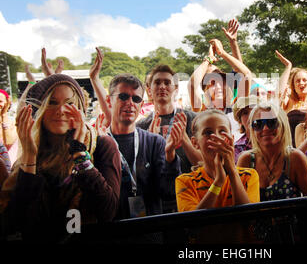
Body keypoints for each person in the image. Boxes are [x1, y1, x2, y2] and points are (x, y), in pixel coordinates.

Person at [0, 74, 121, 242]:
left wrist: (79, 155)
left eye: (70, 104)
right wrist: (29, 158)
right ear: (40, 110)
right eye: (52, 102)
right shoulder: (31, 152)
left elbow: (107, 211)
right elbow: (14, 221)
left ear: (80, 109)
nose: (61, 110)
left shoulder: (101, 145)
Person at [106, 74, 182, 218]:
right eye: (123, 96)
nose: (130, 103)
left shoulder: (155, 143)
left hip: (150, 233)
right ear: (109, 101)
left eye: (136, 99)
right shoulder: (99, 144)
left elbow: (169, 193)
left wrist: (170, 157)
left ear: (141, 105)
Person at [175, 109, 259, 212]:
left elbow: (250, 221)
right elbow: (194, 226)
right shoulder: (185, 182)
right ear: (195, 143)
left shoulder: (249, 176)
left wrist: (232, 172)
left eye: (222, 131)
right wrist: (218, 182)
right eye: (208, 132)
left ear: (232, 139)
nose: (217, 137)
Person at [237, 102, 307, 201]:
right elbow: (237, 203)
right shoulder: (246, 160)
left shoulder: (295, 158)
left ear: (283, 125)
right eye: (258, 124)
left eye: (272, 123)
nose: (265, 128)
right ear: (252, 129)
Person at [136, 65, 201, 176]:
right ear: (149, 89)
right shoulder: (141, 127)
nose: (162, 87)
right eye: (157, 83)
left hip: (190, 189)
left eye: (167, 83)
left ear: (176, 88)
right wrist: (150, 147)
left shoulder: (194, 119)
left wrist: (184, 138)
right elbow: (140, 172)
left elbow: (203, 164)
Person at [188, 37, 252, 140]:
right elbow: (192, 83)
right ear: (206, 89)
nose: (218, 86)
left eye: (221, 81)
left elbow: (246, 75)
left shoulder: (236, 108)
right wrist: (209, 59)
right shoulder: (201, 109)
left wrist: (222, 53)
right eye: (212, 83)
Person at [232, 95, 261, 163]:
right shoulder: (236, 148)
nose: (250, 116)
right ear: (240, 121)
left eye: (254, 111)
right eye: (245, 113)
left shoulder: (271, 139)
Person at [0, 89, 18, 165]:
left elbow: (8, 142)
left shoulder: (12, 122)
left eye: (0, 101)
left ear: (7, 103)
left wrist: (3, 115)